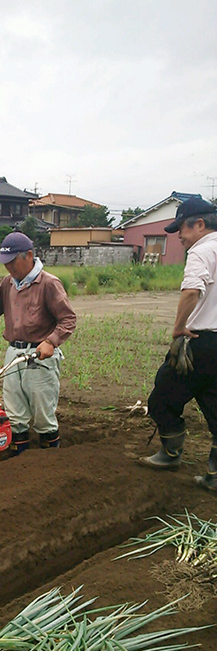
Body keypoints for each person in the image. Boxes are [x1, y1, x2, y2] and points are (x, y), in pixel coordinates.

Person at [0, 232, 76, 453]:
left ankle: (50, 459)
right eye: (5, 263)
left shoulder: (48, 283)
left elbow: (68, 319)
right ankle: (20, 460)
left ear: (29, 255)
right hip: (14, 354)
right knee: (15, 412)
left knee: (42, 412)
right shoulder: (8, 283)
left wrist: (51, 342)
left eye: (12, 262)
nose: (8, 267)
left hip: (39, 355)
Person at [140, 197, 217, 492]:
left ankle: (170, 454)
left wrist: (177, 331)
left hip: (202, 341)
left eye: (182, 230)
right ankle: (214, 474)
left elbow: (191, 291)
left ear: (199, 224)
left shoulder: (201, 251)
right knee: (214, 402)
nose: (181, 238)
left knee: (162, 396)